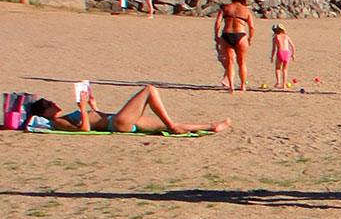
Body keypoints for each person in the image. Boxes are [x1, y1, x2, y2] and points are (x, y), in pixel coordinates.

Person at [27, 85, 229, 135]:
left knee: (168, 124)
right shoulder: (56, 122)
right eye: (48, 105)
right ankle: (171, 125)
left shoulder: (62, 116)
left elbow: (92, 118)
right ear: (43, 114)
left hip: (115, 119)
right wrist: (81, 109)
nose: (52, 104)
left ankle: (212, 126)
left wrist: (92, 106)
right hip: (116, 123)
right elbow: (85, 130)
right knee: (149, 90)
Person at [213, 0, 254, 92]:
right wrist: (250, 38)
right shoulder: (246, 10)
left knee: (230, 62)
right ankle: (243, 86)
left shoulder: (225, 8)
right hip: (240, 35)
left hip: (226, 34)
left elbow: (217, 23)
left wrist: (216, 36)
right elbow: (251, 27)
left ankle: (231, 86)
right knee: (241, 62)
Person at [270, 24, 296, 89]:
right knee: (284, 69)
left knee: (277, 68)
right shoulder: (286, 36)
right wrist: (293, 54)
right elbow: (292, 46)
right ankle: (284, 84)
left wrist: (272, 57)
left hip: (280, 52)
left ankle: (278, 81)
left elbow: (274, 49)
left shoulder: (276, 37)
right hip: (287, 53)